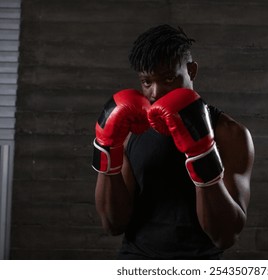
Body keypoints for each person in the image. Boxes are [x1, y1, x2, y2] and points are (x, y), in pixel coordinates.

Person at [92, 24, 255, 259]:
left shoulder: (230, 133)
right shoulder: (130, 131)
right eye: (147, 82)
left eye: (169, 78)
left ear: (191, 71)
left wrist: (203, 154)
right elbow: (112, 224)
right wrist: (107, 148)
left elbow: (225, 236)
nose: (156, 93)